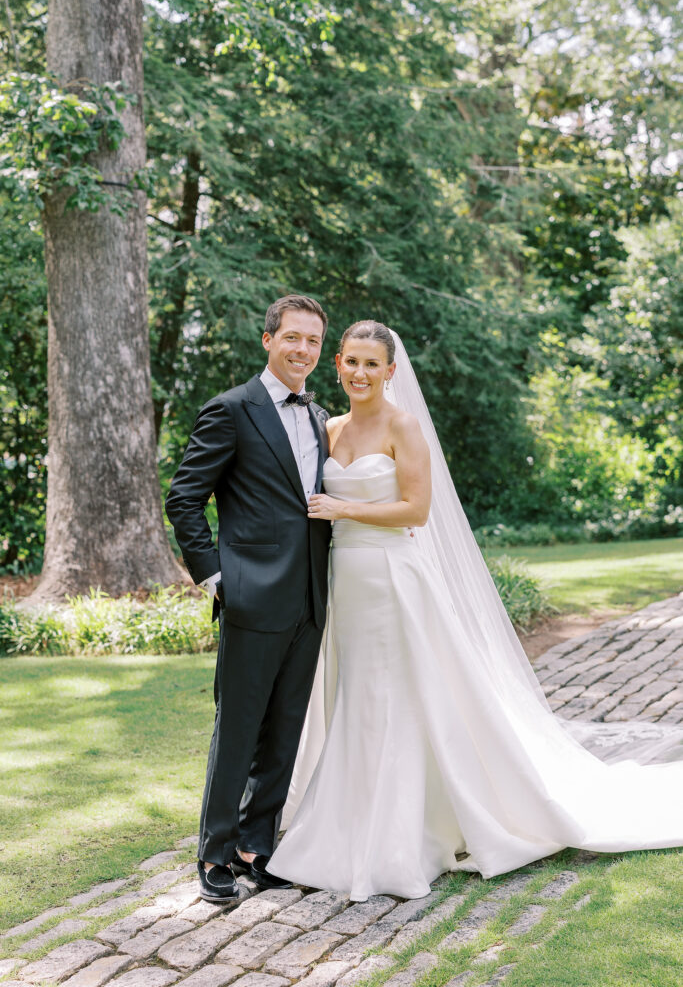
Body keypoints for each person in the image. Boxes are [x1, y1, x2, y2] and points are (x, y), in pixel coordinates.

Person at [266, 320, 683, 902]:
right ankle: (348, 814)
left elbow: (415, 510)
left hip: (391, 580)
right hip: (345, 582)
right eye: (352, 361)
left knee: (395, 696)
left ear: (391, 371)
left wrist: (343, 508)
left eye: (372, 364)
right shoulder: (328, 427)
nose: (360, 373)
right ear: (337, 363)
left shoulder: (403, 426)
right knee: (355, 694)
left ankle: (402, 830)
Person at [165, 294, 332, 903]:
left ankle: (254, 847)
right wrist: (216, 576)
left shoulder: (319, 419)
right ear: (269, 339)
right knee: (237, 730)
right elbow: (184, 497)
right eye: (293, 338)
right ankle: (212, 856)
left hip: (311, 600)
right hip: (252, 600)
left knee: (284, 732)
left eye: (313, 341)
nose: (303, 350)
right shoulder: (230, 410)